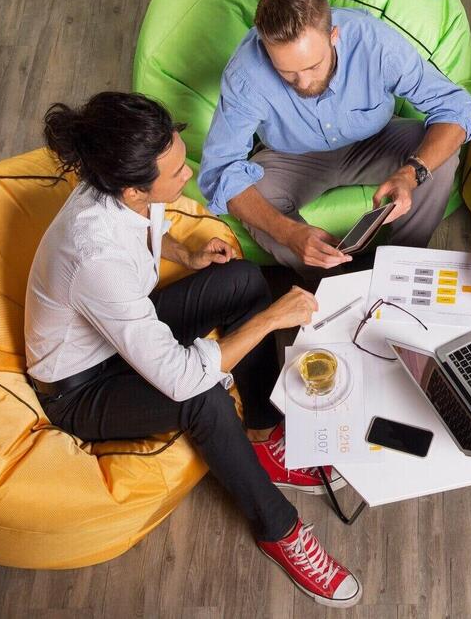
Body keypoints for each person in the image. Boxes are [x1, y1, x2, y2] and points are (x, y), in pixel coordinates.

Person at [24, 92, 361, 608]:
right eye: (178, 171)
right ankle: (280, 530)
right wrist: (273, 318)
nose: (188, 176)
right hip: (82, 388)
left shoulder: (114, 191)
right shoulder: (95, 256)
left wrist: (184, 251)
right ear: (134, 188)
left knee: (243, 280)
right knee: (200, 397)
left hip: (117, 334)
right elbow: (182, 379)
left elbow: (143, 229)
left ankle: (263, 440)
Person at [199, 0, 471, 276]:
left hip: (375, 140)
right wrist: (288, 233)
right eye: (287, 73)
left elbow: (455, 108)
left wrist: (411, 174)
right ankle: (333, 288)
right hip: (291, 158)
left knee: (441, 154)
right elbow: (221, 170)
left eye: (312, 66)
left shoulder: (374, 42)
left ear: (334, 35)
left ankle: (400, 269)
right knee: (254, 198)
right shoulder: (246, 74)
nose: (303, 83)